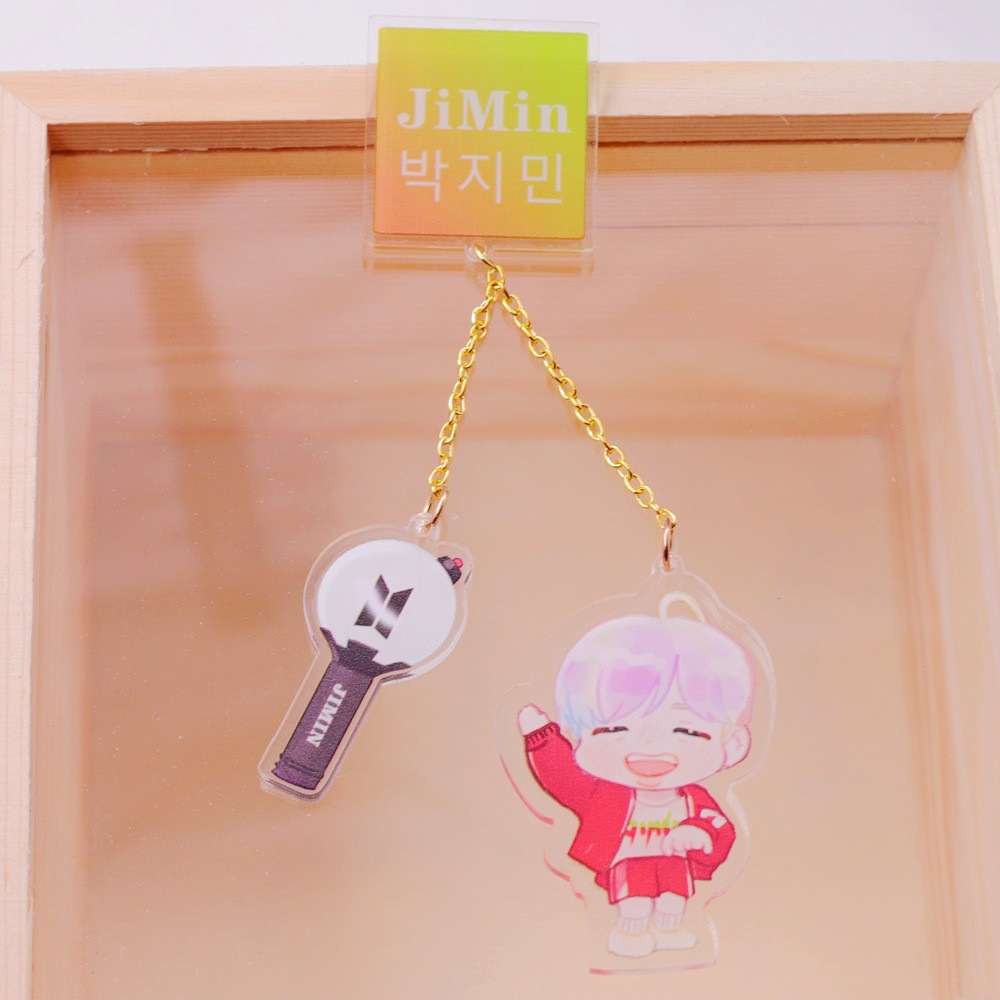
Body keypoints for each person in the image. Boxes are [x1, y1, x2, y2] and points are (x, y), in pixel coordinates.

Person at [519, 613, 754, 957]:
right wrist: (542, 739)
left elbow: (719, 827)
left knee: (674, 900)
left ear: (732, 744)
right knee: (635, 904)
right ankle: (630, 934)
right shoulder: (605, 796)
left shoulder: (695, 799)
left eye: (687, 730)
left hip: (675, 864)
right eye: (614, 729)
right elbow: (564, 779)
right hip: (628, 861)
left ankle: (670, 930)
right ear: (580, 736)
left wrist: (700, 832)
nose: (648, 746)